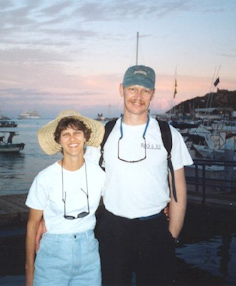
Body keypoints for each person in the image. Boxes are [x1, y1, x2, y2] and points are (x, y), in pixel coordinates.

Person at [96, 65, 193, 285]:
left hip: (155, 230)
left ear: (153, 94)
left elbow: (178, 186)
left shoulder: (169, 134)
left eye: (145, 91)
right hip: (113, 229)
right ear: (121, 90)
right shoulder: (104, 133)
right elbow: (85, 180)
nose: (138, 97)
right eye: (132, 89)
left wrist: (172, 234)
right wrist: (48, 218)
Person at [25, 110, 105, 286]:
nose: (72, 138)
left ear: (85, 137)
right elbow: (32, 225)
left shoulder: (98, 173)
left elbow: (119, 198)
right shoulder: (45, 178)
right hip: (52, 254)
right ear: (59, 140)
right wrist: (29, 270)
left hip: (89, 255)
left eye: (77, 132)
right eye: (66, 134)